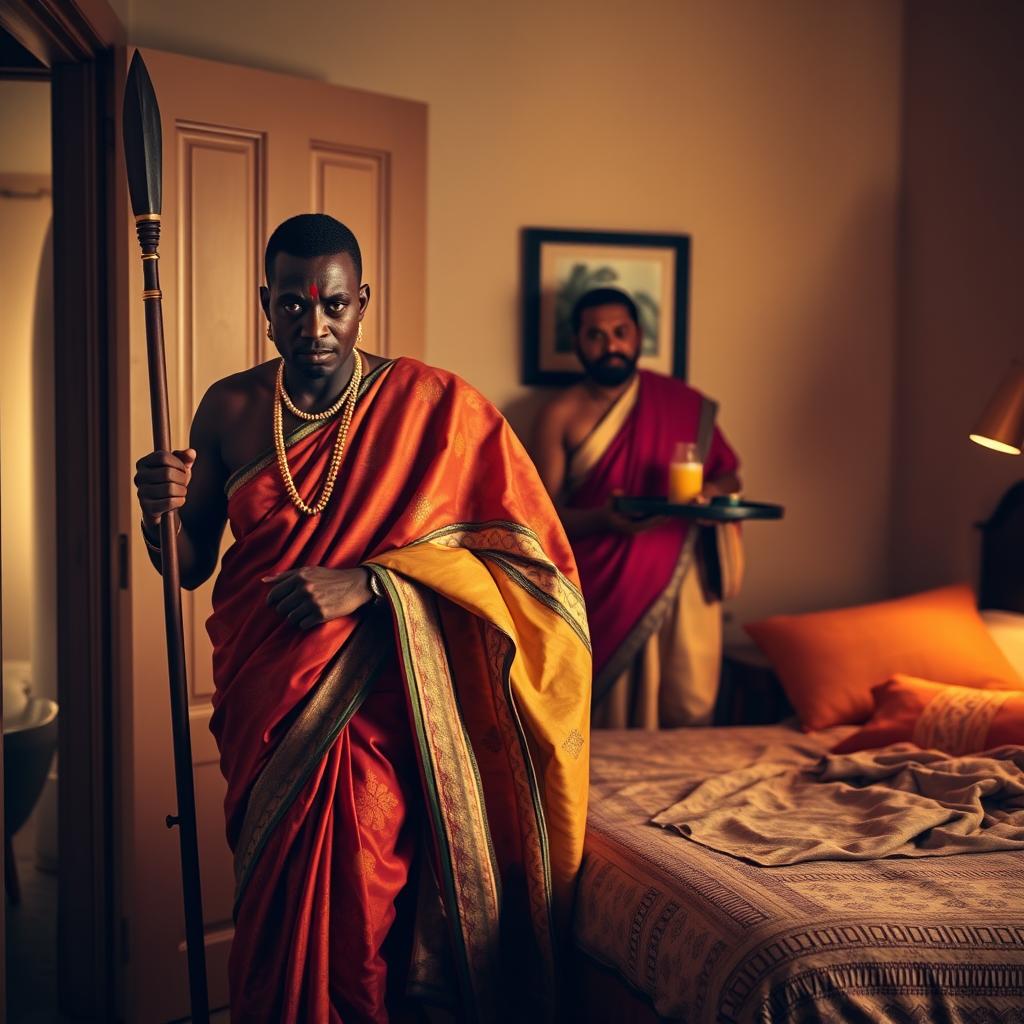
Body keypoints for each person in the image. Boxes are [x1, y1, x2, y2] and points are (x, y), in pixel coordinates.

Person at [134, 214, 591, 1023]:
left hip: (379, 709)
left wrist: (374, 584)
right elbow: (188, 564)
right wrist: (156, 511)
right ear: (266, 303)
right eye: (294, 307)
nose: (315, 327)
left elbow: (528, 565)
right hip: (266, 706)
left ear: (362, 301)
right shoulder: (231, 408)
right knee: (274, 914)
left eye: (335, 306)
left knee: (363, 904)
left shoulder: (434, 406)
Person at [531, 287, 741, 729]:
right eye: (595, 335)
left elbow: (730, 477)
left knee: (688, 707)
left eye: (620, 332)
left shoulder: (683, 404)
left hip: (683, 579)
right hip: (602, 583)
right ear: (578, 343)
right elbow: (540, 519)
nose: (610, 345)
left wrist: (709, 495)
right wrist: (603, 519)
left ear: (639, 335)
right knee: (605, 718)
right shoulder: (561, 414)